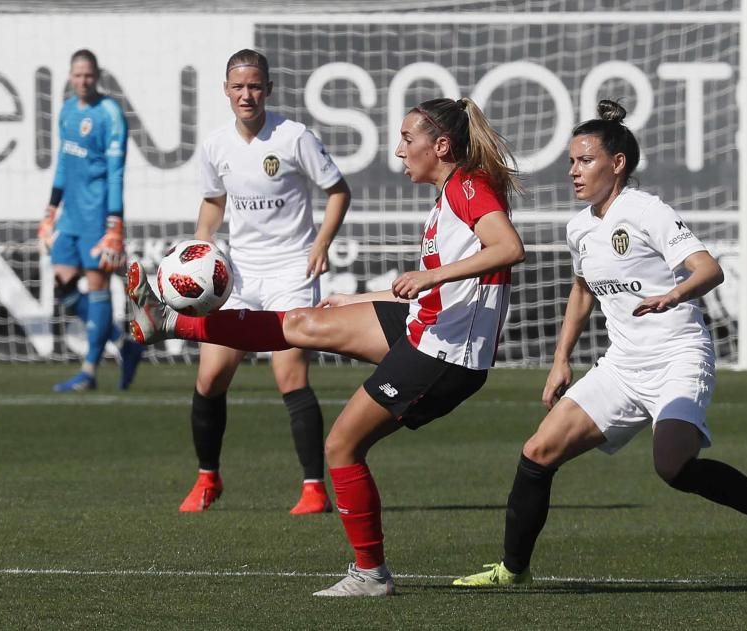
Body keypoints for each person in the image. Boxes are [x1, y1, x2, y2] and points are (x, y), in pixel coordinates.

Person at [125, 96, 525, 596]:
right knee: (304, 322)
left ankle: (370, 574)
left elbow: (509, 248)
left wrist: (431, 273)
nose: (399, 151)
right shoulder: (451, 193)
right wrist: (361, 298)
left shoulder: (468, 187)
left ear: (440, 145)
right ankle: (170, 321)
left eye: (407, 139)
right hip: (429, 325)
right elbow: (439, 287)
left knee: (341, 446)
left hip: (445, 355)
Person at [453, 100, 747, 588]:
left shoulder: (647, 211)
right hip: (623, 365)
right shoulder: (579, 226)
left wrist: (674, 294)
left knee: (672, 465)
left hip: (678, 355)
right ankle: (511, 570)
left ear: (617, 162)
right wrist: (560, 360)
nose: (573, 171)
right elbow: (582, 291)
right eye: (570, 161)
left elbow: (709, 269)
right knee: (538, 451)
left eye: (585, 160)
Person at [177, 49, 351, 515]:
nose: (246, 94)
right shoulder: (216, 146)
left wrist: (321, 244)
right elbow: (213, 202)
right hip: (237, 277)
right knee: (211, 376)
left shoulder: (294, 137)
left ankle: (314, 489)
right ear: (226, 91)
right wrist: (199, 252)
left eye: (255, 86)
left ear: (268, 89)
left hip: (292, 271)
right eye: (238, 87)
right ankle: (207, 479)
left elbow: (338, 191)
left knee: (289, 374)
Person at [38, 49, 144, 392]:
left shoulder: (110, 113)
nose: (83, 81)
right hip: (70, 217)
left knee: (97, 287)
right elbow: (63, 164)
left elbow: (116, 173)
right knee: (65, 285)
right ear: (70, 76)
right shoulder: (67, 111)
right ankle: (125, 344)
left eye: (89, 75)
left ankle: (88, 372)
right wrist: (50, 211)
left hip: (99, 215)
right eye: (77, 75)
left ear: (97, 76)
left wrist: (115, 224)